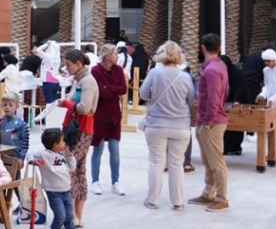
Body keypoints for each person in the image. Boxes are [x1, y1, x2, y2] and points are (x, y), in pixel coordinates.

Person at [139, 41, 194, 210]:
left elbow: (143, 94)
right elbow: (191, 100)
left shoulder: (155, 73)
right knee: (177, 164)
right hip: (181, 125)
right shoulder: (185, 76)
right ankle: (178, 202)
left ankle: (152, 200)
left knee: (156, 162)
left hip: (157, 124)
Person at [56, 49, 98, 227]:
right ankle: (76, 216)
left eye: (68, 65)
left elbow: (85, 107)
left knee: (71, 169)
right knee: (79, 170)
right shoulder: (80, 80)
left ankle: (73, 215)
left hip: (80, 130)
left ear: (79, 64)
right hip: (78, 128)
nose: (67, 68)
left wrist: (66, 103)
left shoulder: (87, 81)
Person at [189, 33, 230, 213]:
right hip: (208, 120)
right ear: (219, 48)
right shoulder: (218, 67)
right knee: (208, 160)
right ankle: (209, 193)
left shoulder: (211, 70)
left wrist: (209, 120)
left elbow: (214, 97)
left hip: (211, 122)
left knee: (216, 161)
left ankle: (222, 198)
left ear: (203, 47)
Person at [28, 128, 82, 229]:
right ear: (55, 145)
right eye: (62, 141)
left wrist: (69, 155)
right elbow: (29, 153)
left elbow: (72, 168)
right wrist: (32, 160)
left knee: (69, 216)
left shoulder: (63, 155)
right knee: (61, 216)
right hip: (53, 192)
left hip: (66, 190)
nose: (64, 143)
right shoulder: (44, 154)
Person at [90, 43, 127, 196]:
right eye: (115, 54)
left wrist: (108, 88)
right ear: (107, 56)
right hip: (100, 113)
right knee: (98, 148)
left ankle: (115, 182)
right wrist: (112, 90)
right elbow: (99, 91)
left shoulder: (118, 70)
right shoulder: (96, 70)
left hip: (114, 113)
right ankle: (95, 181)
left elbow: (123, 89)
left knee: (115, 149)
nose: (118, 57)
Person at [0, 92, 29, 159]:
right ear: (1, 106)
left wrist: (22, 158)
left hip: (15, 157)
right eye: (5, 105)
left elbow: (24, 143)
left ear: (17, 106)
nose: (7, 107)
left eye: (10, 105)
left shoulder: (21, 124)